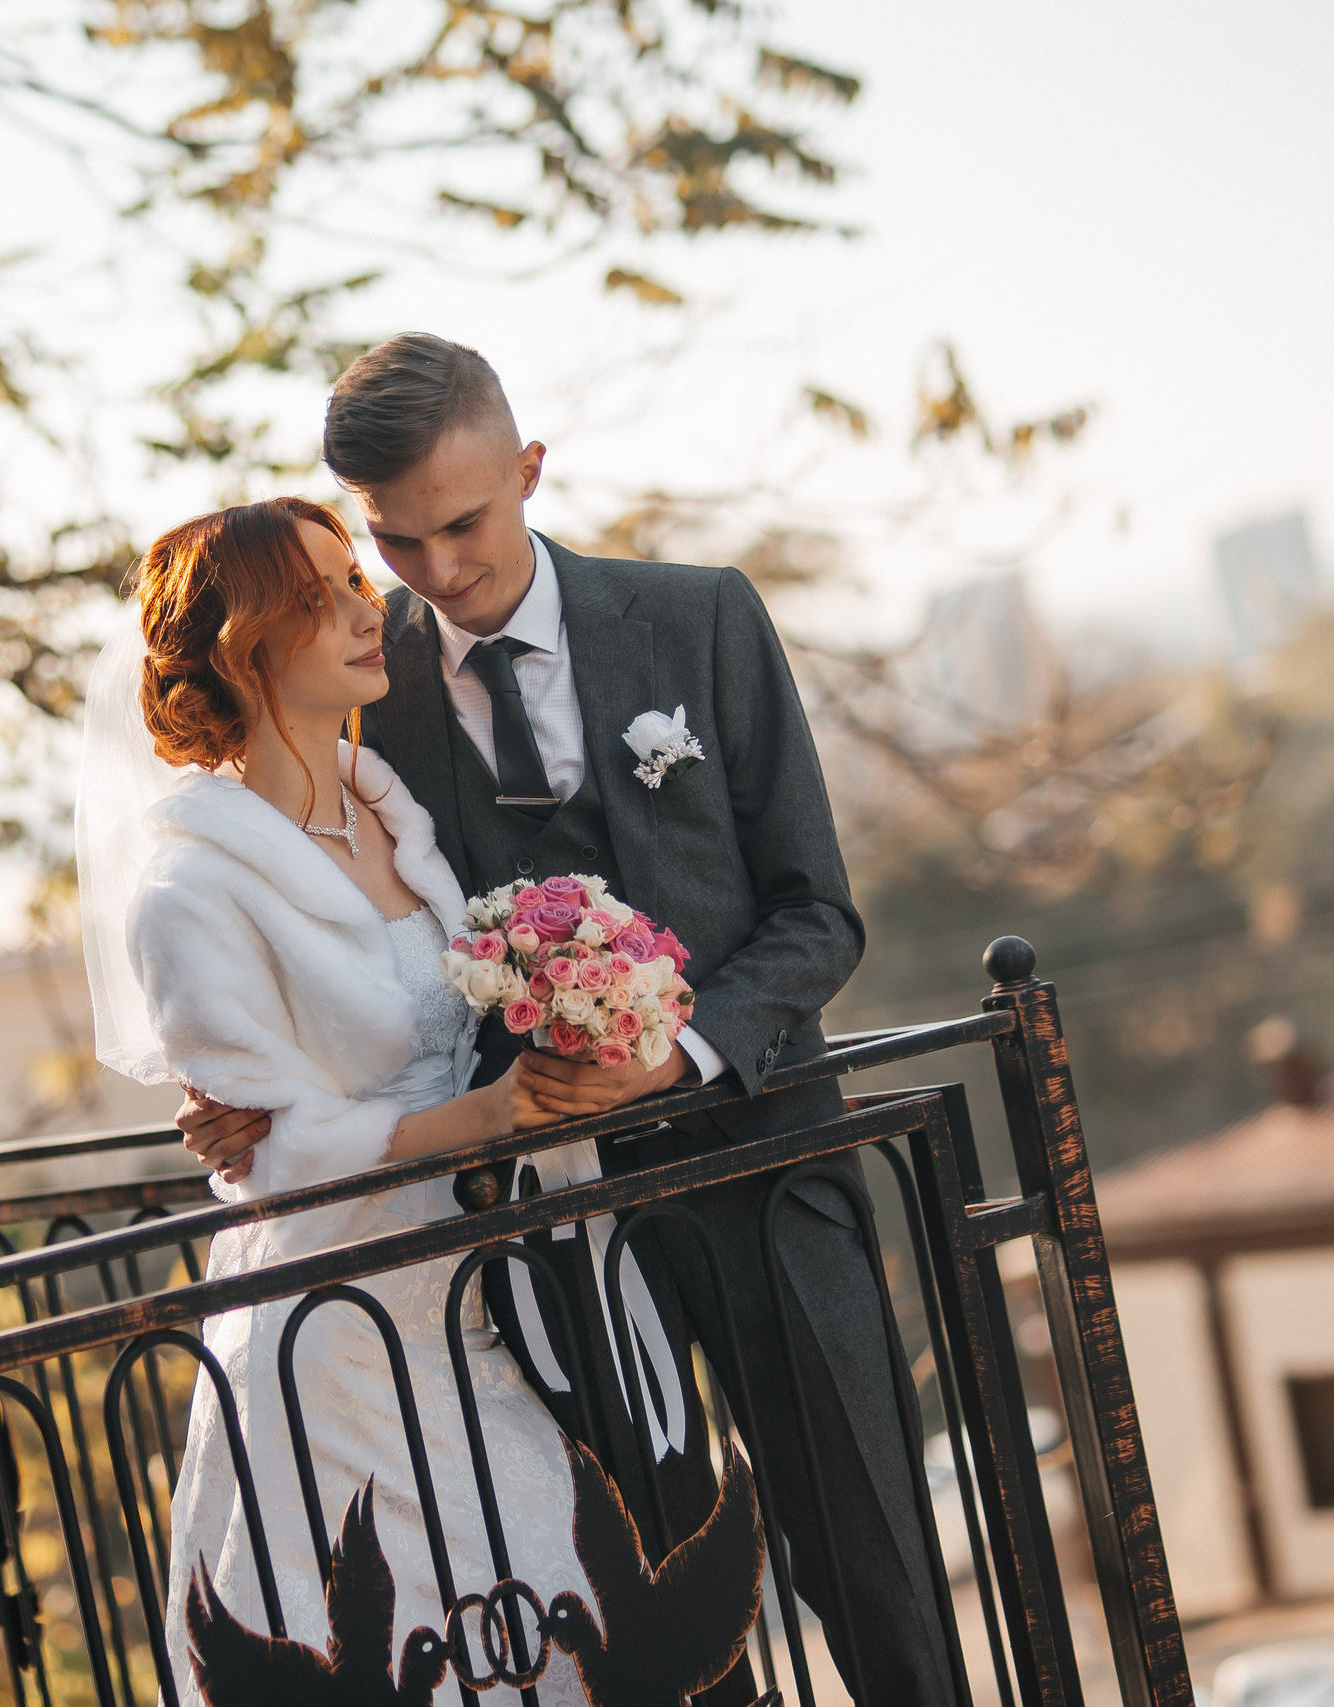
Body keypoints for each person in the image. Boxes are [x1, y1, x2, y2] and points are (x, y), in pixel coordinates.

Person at [174, 334, 958, 1707]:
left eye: (464, 523)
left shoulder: (699, 617)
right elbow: (320, 898)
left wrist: (681, 1051)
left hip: (767, 1174)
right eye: (394, 540)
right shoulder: (359, 686)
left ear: (529, 470)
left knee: (874, 1558)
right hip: (544, 1243)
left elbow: (817, 914)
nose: (436, 570)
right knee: (648, 1610)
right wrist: (238, 1083)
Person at [80, 496, 648, 1704]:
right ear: (243, 647)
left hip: (484, 1299)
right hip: (338, 1330)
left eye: (354, 578)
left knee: (561, 1630)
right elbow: (270, 1160)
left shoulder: (394, 808)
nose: (366, 607)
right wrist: (484, 1119)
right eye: (320, 596)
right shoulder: (187, 892)